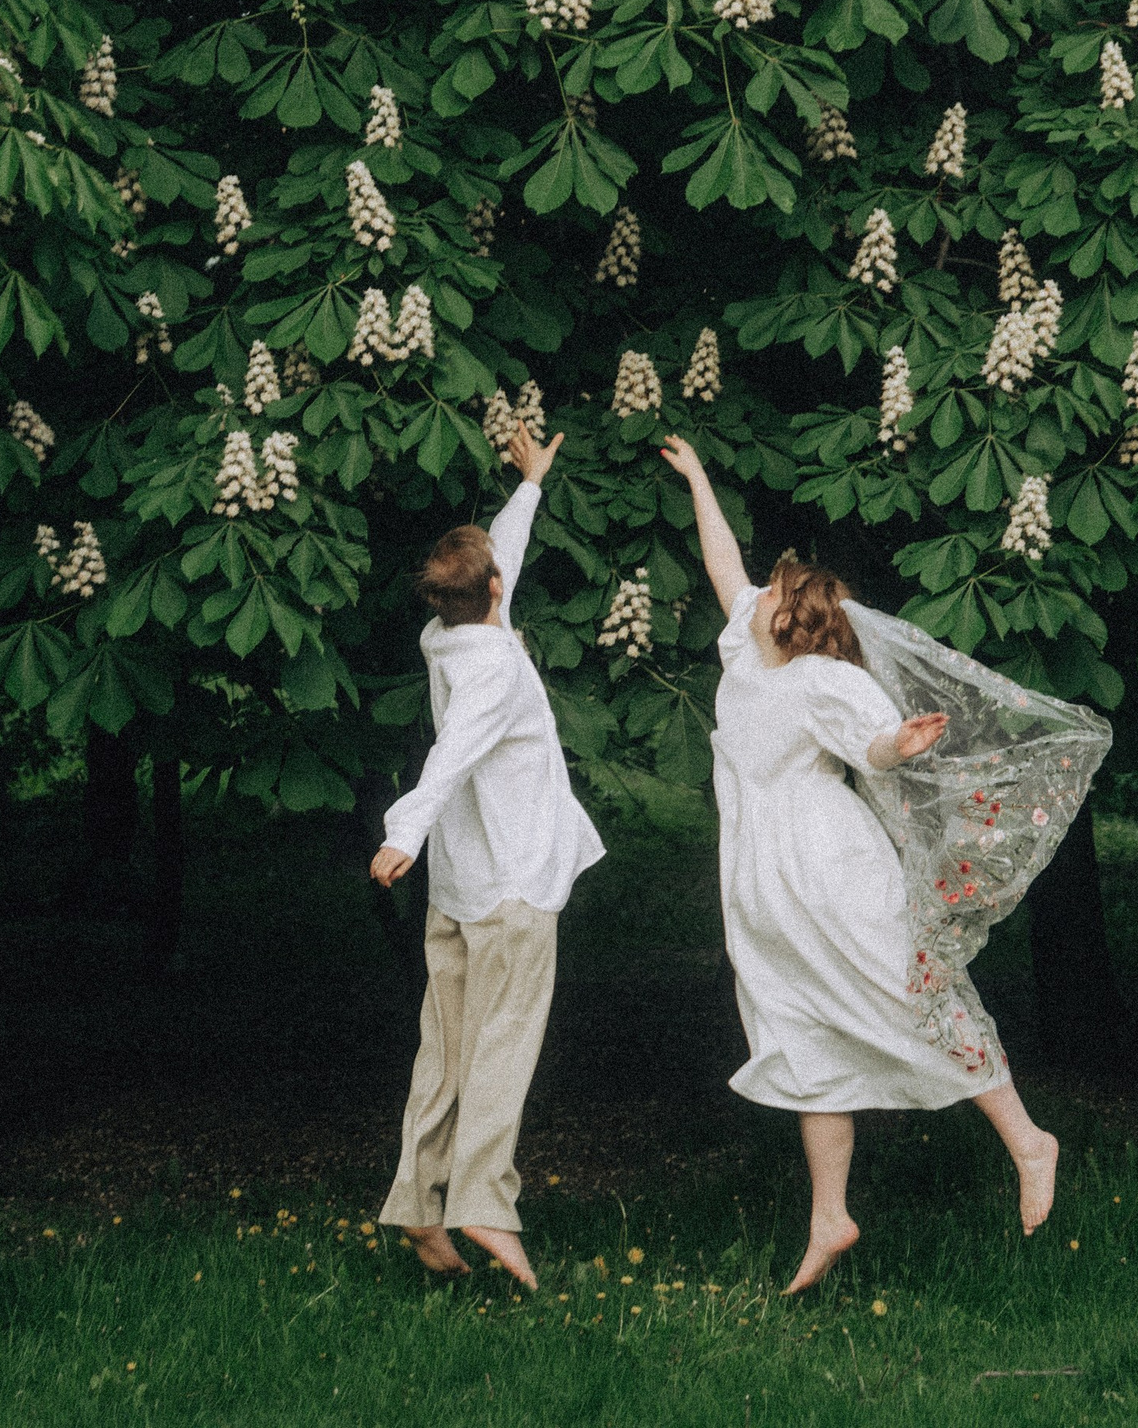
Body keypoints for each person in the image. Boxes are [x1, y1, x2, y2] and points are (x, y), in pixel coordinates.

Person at [656, 432, 1080, 1294]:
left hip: (829, 866)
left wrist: (899, 741)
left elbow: (875, 748)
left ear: (794, 616)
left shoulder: (824, 680)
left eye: (775, 590)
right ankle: (830, 1217)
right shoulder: (746, 641)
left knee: (911, 995)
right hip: (763, 877)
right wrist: (700, 474)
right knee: (799, 1029)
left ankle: (1030, 1140)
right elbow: (722, 563)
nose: (759, 591)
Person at [370, 424, 602, 1290]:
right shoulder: (497, 665)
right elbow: (452, 754)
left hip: (463, 888)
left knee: (445, 1052)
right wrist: (404, 831)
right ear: (497, 592)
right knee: (501, 1048)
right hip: (511, 884)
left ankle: (421, 1213)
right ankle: (483, 1203)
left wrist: (531, 483)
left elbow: (498, 558)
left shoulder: (448, 638)